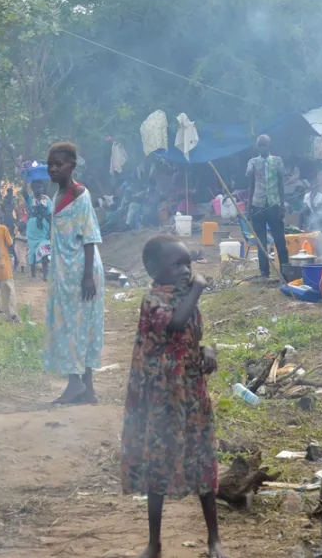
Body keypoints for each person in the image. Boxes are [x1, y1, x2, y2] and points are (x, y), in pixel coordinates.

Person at [121, 236, 225, 558]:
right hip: (164, 398)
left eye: (187, 264)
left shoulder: (184, 297)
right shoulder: (152, 300)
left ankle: (214, 540)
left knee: (202, 459)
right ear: (154, 269)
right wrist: (198, 287)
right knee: (159, 464)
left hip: (192, 392)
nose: (184, 270)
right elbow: (176, 325)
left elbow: (194, 336)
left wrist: (208, 350)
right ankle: (154, 542)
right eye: (176, 264)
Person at [43, 142, 105, 404]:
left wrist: (88, 276)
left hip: (82, 270)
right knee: (78, 328)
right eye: (51, 165)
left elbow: (90, 236)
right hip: (65, 272)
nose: (54, 169)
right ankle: (87, 389)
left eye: (60, 164)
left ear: (72, 165)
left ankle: (74, 385)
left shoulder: (80, 194)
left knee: (78, 328)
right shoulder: (57, 197)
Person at [246, 135, 289, 277]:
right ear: (257, 147)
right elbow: (251, 186)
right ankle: (264, 272)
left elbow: (281, 185)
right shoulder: (252, 163)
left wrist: (282, 205)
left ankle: (285, 271)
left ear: (269, 146)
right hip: (257, 205)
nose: (262, 148)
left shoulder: (277, 162)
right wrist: (248, 207)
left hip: (274, 205)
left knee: (279, 239)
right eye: (260, 145)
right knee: (261, 241)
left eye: (264, 145)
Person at [22, 179, 53, 281]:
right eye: (37, 187)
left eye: (41, 187)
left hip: (43, 228)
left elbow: (50, 216)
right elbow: (23, 191)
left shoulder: (47, 199)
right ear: (32, 188)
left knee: (44, 249)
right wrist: (25, 177)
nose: (40, 189)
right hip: (32, 229)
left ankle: (45, 273)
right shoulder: (29, 199)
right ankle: (33, 274)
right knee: (32, 251)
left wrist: (50, 231)